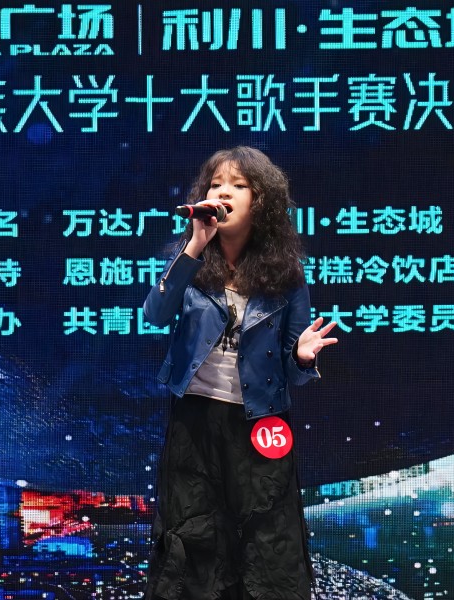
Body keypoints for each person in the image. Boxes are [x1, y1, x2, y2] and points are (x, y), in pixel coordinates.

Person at [142, 147, 338, 600]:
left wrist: (303, 357)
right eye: (216, 184)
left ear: (261, 200)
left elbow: (293, 371)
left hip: (259, 426)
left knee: (266, 543)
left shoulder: (286, 275)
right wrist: (195, 244)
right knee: (193, 539)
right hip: (195, 423)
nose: (223, 192)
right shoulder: (191, 261)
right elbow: (155, 314)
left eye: (238, 185)